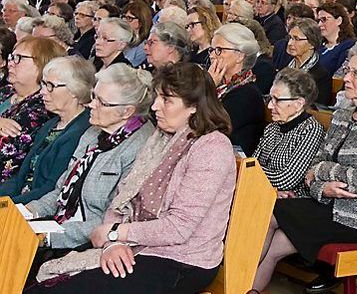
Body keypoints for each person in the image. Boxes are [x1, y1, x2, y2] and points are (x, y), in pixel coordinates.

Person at [29, 62, 237, 294]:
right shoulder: (162, 137)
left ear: (194, 108)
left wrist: (117, 232)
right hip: (138, 246)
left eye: (167, 100)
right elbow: (122, 200)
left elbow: (179, 228)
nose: (155, 106)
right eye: (158, 97)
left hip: (182, 260)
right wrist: (113, 242)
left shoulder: (211, 147)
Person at [253, 41, 357, 293]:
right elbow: (312, 167)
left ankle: (236, 275)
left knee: (268, 213)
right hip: (328, 205)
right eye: (348, 70)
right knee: (275, 243)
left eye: (356, 73)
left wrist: (323, 175)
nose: (347, 77)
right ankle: (241, 286)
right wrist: (323, 188)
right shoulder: (343, 114)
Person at [20, 64, 154, 249]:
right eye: (93, 96)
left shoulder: (141, 149)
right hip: (58, 224)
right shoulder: (93, 132)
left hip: (90, 242)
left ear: (127, 111)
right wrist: (29, 211)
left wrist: (47, 238)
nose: (91, 104)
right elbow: (60, 190)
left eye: (101, 101)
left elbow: (109, 219)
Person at [0, 57, 94, 202]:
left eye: (50, 85)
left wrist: (9, 205)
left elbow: (51, 188)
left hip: (37, 208)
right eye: (43, 84)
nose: (43, 91)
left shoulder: (82, 132)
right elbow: (21, 177)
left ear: (75, 90)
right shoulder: (51, 124)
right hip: (21, 200)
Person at [0, 36, 66, 183]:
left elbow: (7, 153)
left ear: (42, 64)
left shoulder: (39, 110)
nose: (10, 63)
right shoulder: (6, 91)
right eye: (12, 57)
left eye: (19, 58)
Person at [254, 68, 326, 192]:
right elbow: (251, 164)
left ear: (298, 104)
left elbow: (286, 180)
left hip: (294, 201)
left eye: (277, 100)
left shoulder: (310, 130)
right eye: (270, 98)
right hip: (265, 192)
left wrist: (255, 173)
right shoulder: (272, 128)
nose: (270, 106)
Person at [207, 23, 265, 156]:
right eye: (212, 49)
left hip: (230, 160)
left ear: (240, 56)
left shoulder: (247, 94)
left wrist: (208, 86)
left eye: (219, 50)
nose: (212, 55)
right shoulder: (220, 85)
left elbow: (210, 126)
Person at [285, 17, 331, 105]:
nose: (290, 43)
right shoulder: (285, 67)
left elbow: (317, 108)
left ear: (311, 43)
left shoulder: (321, 75)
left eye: (296, 39)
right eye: (290, 38)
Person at [314, 2, 356, 77]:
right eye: (319, 20)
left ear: (339, 21)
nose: (319, 24)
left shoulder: (348, 46)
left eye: (324, 19)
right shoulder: (318, 45)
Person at [121, 1, 153, 67]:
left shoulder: (144, 47)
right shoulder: (122, 40)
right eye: (124, 17)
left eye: (129, 18)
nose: (124, 21)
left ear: (141, 21)